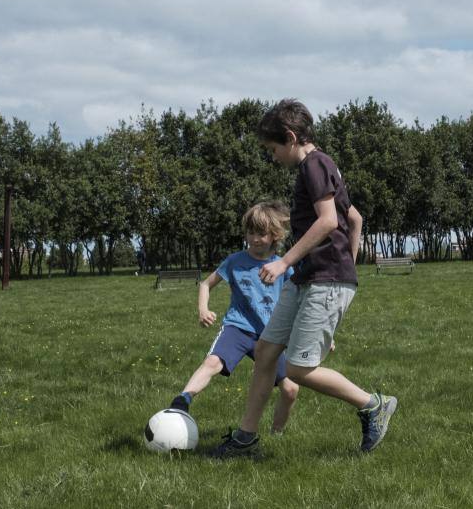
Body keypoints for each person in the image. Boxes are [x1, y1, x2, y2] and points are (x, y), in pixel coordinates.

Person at [213, 99, 397, 458]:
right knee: (265, 351)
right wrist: (347, 267)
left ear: (291, 137)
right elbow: (354, 218)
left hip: (322, 280)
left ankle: (373, 404)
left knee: (297, 369)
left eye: (273, 149)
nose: (272, 157)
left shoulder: (314, 164)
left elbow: (328, 221)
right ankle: (245, 438)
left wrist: (286, 263)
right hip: (312, 278)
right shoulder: (321, 167)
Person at [168, 201, 299, 434]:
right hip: (238, 327)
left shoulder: (283, 267)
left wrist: (323, 336)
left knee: (290, 390)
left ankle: (277, 433)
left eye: (261, 234)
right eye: (250, 233)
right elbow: (205, 284)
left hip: (270, 336)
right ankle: (182, 401)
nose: (254, 239)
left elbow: (300, 301)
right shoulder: (234, 261)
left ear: (275, 235)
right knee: (212, 362)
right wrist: (203, 309)